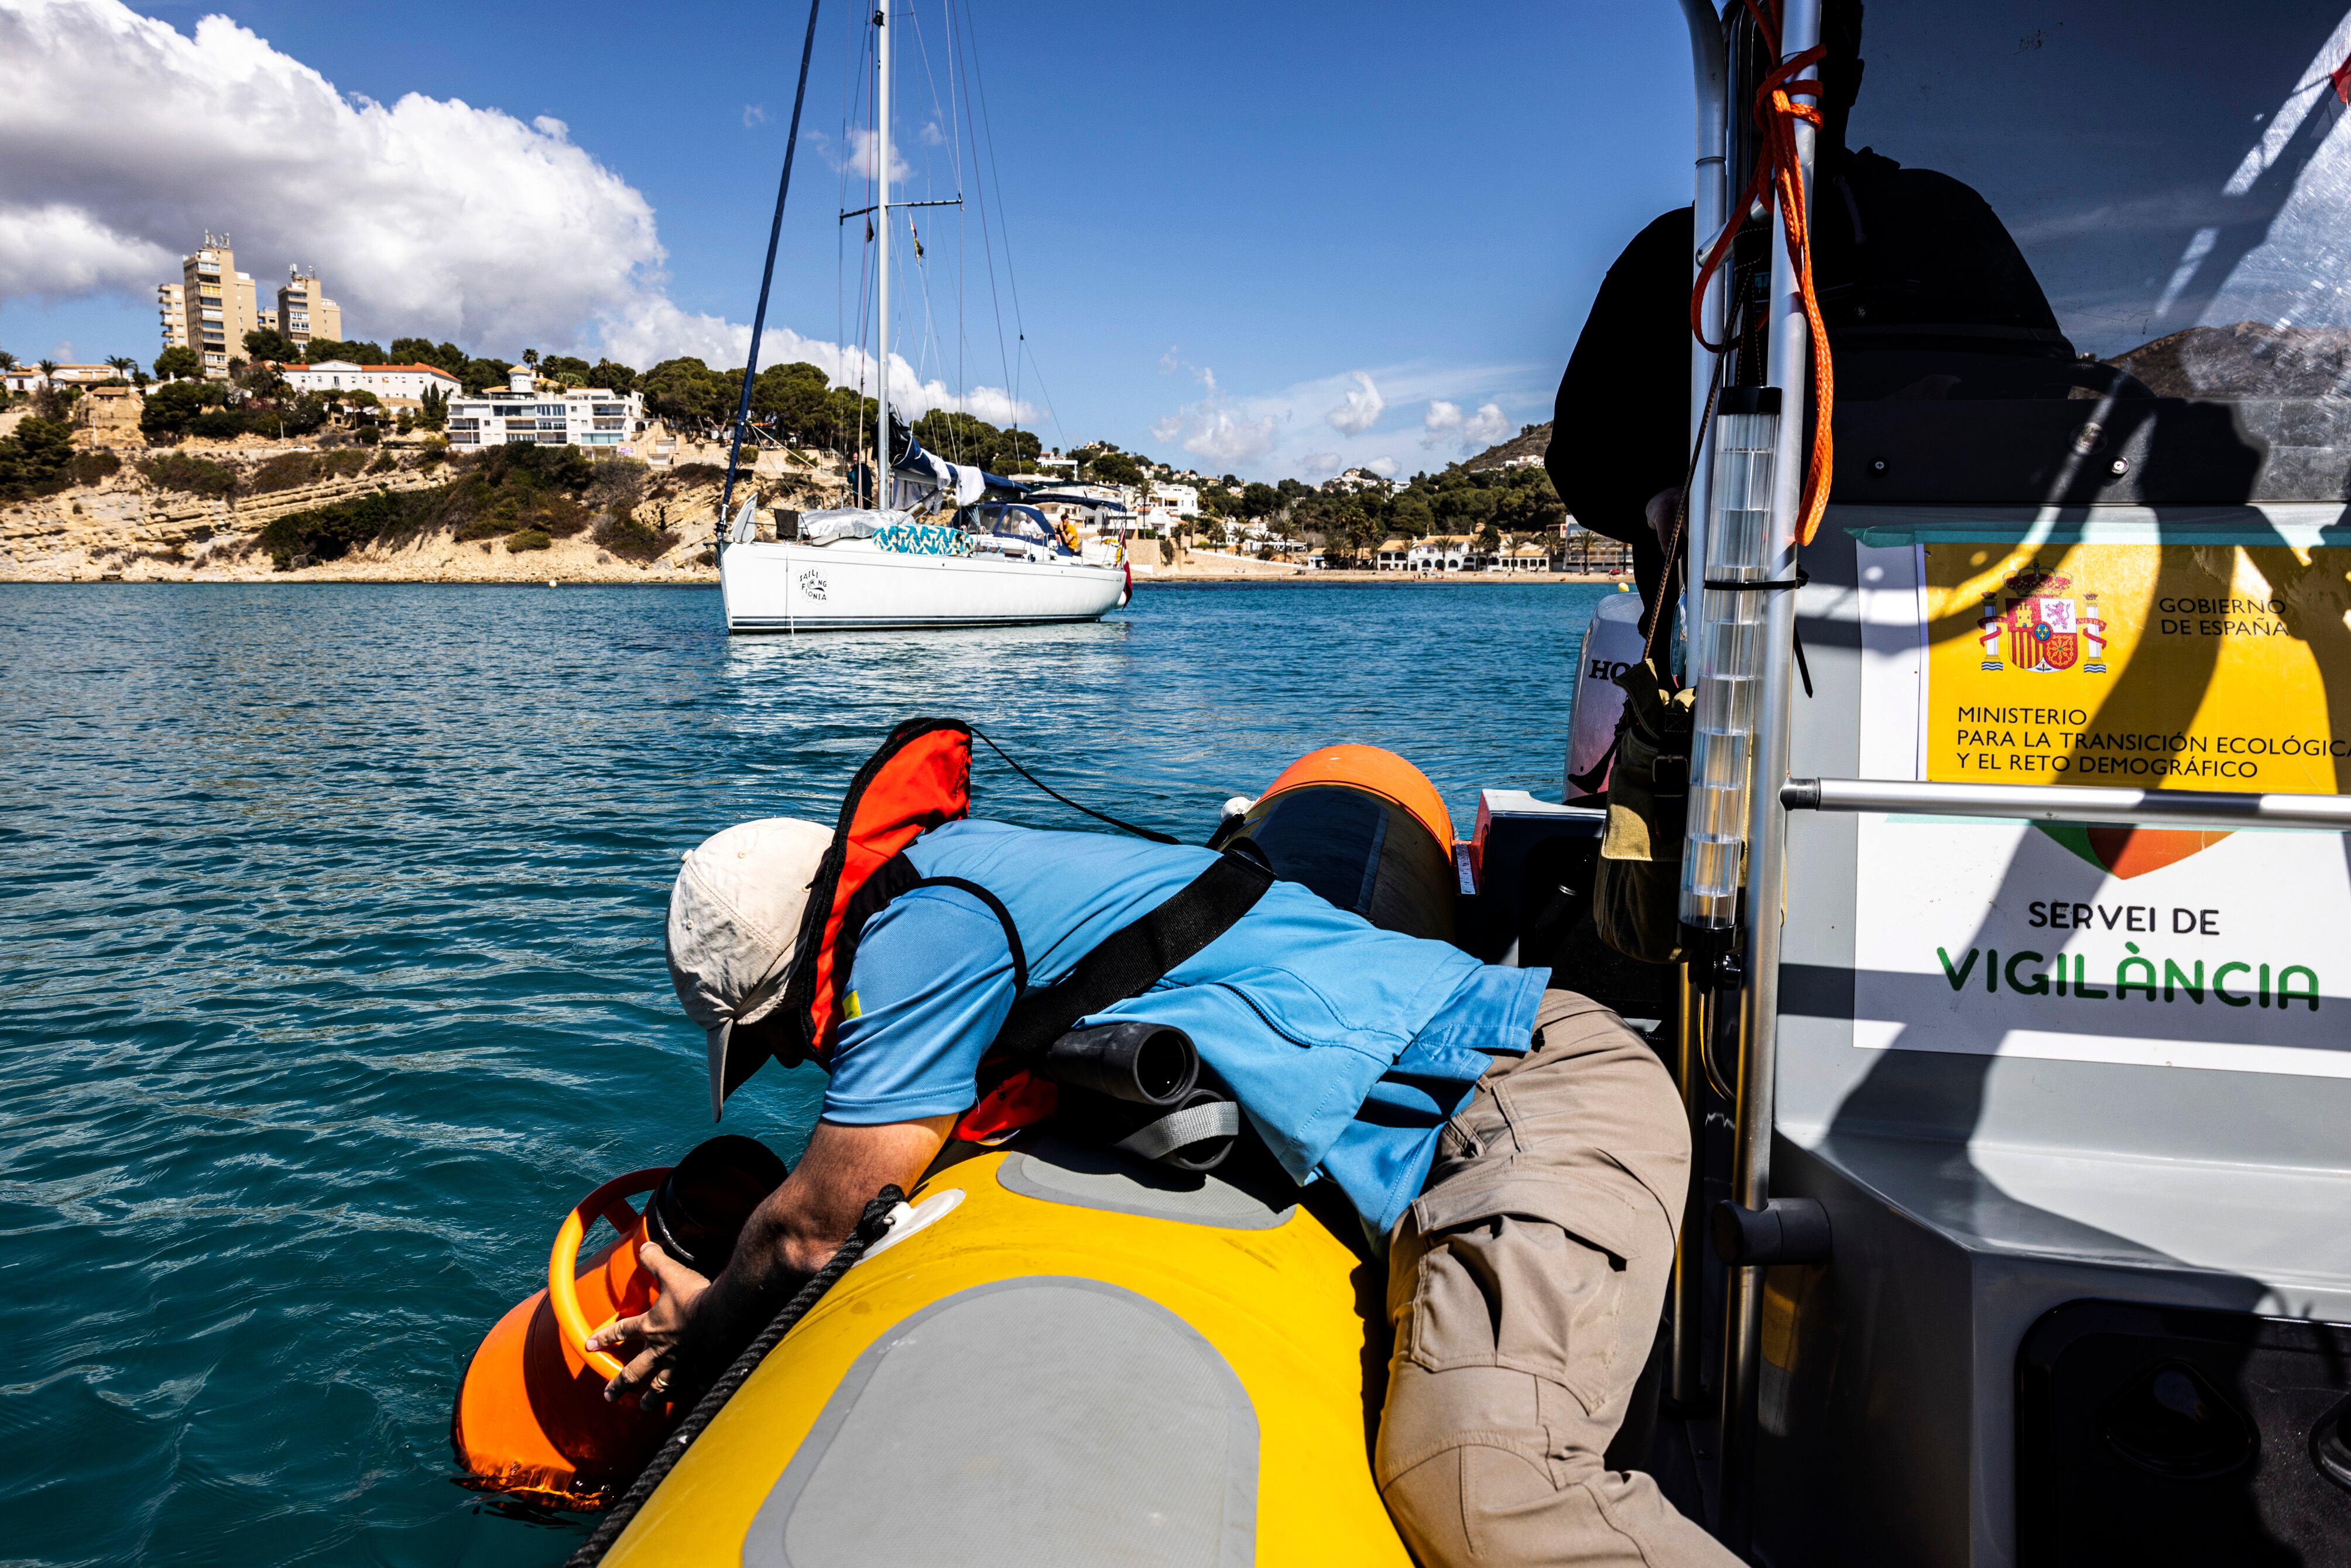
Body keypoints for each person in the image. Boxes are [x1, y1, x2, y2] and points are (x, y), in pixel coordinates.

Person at [592, 808, 1739, 1567]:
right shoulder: (965, 877)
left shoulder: (916, 932)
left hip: (1519, 1089)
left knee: (1480, 1485)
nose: (803, 1060)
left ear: (793, 978)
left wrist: (702, 1334)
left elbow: (813, 1226)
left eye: (781, 1038)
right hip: (1480, 1104)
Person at [1545, 0, 2067, 633]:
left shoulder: (1945, 216)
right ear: (1732, 74)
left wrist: (1949, 413)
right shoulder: (1672, 252)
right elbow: (1580, 454)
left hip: (1956, 622)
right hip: (1719, 655)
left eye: (1825, 50)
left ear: (1855, 75)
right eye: (1772, 52)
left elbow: (2050, 397)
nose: (1799, 73)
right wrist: (1657, 499)